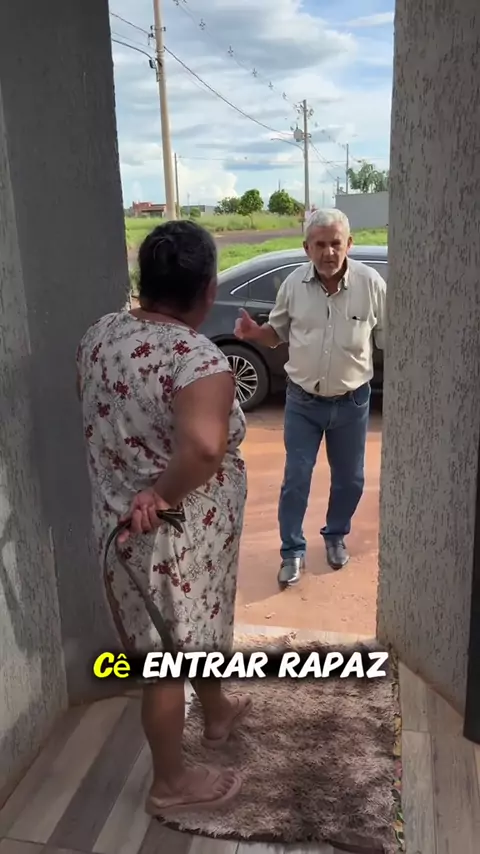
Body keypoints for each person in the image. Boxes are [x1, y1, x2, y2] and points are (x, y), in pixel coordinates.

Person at [76, 220, 250, 815]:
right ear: (208, 289)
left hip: (118, 523)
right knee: (166, 658)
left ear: (143, 281)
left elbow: (101, 411)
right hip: (169, 537)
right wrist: (160, 492)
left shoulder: (100, 333)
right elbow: (202, 449)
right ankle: (169, 783)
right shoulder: (198, 360)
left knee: (191, 628)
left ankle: (217, 711)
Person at [234, 208, 386, 588]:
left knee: (350, 480)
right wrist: (255, 334)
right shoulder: (293, 285)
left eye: (336, 243)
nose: (328, 252)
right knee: (296, 478)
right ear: (306, 248)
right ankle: (292, 551)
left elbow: (388, 337)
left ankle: (335, 535)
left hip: (352, 402)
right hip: (303, 402)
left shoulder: (371, 284)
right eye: (319, 244)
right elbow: (276, 334)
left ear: (349, 244)